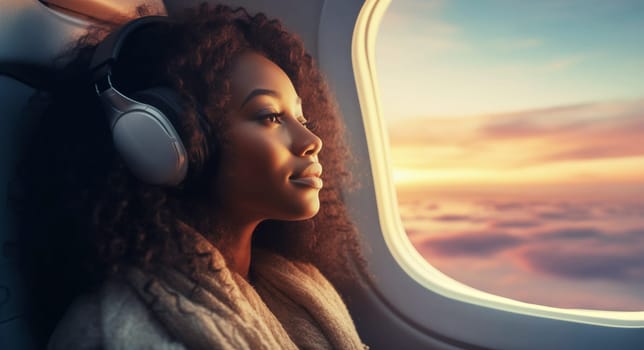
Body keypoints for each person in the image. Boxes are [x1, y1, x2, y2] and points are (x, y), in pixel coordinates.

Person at [11, 3, 368, 349]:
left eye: (301, 120)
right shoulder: (114, 333)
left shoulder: (297, 289)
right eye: (270, 116)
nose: (312, 141)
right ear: (167, 141)